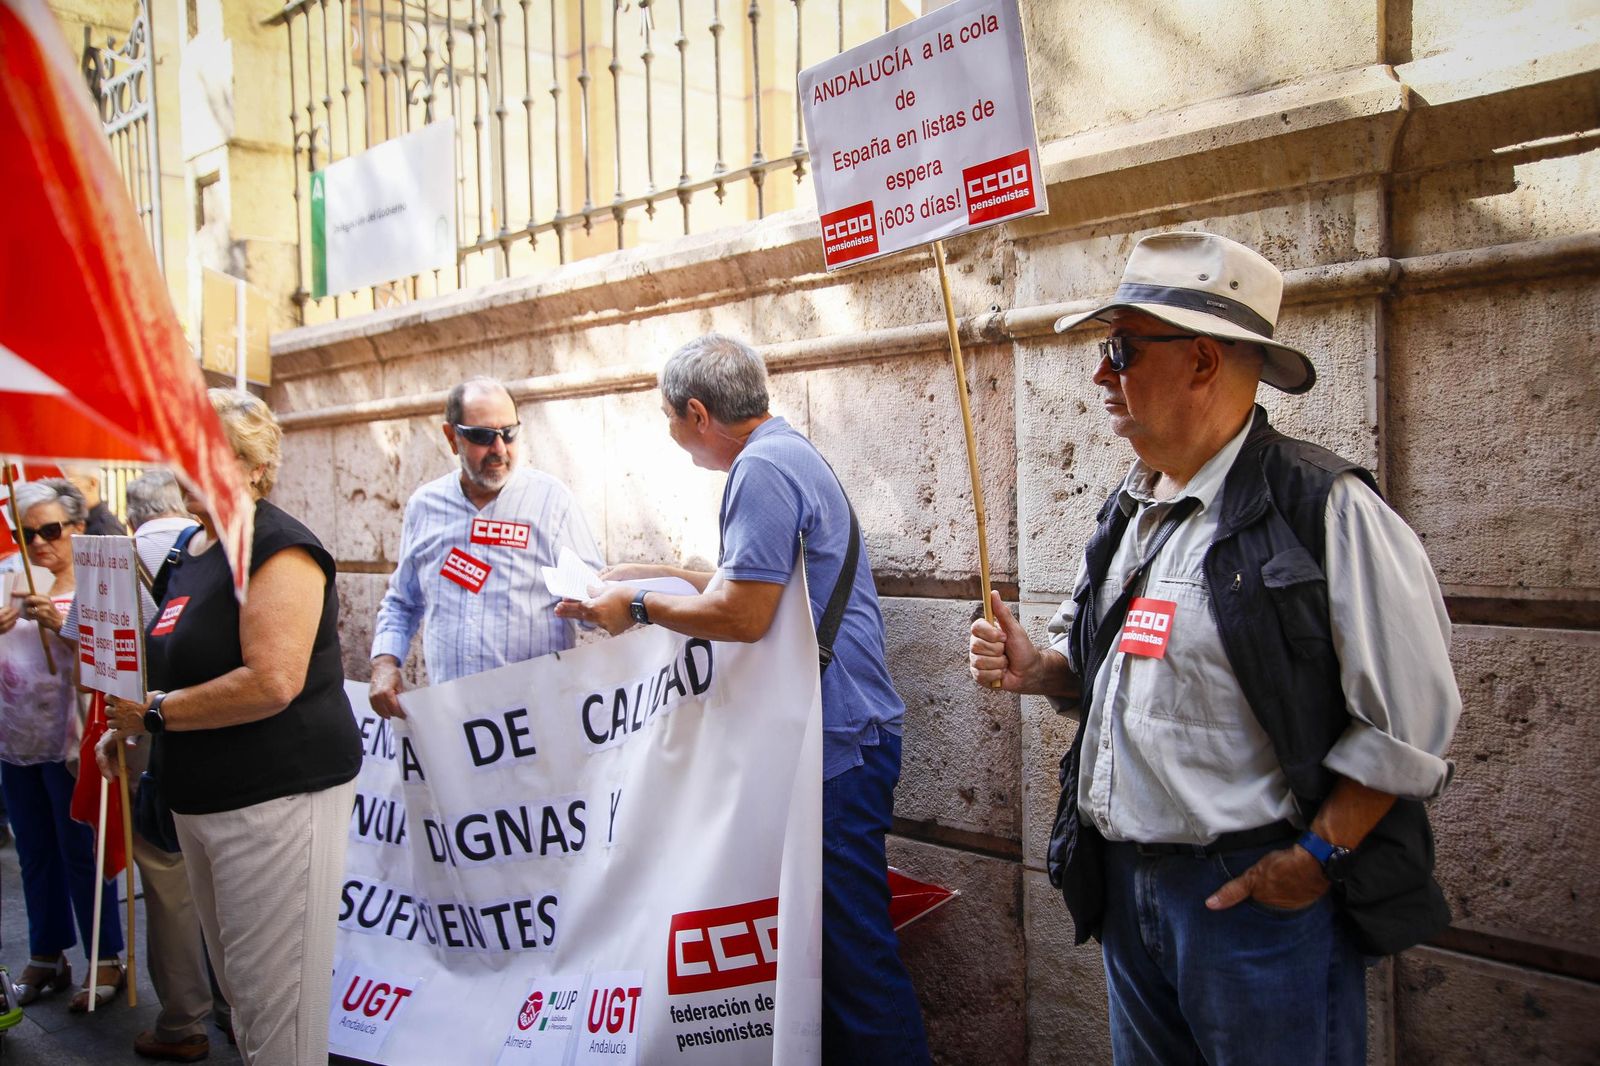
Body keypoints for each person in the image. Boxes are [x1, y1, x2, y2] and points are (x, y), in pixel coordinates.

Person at [968, 232, 1462, 1064]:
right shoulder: (1131, 508)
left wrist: (1310, 861)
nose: (1101, 375)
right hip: (1130, 894)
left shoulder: (1326, 508)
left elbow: (1407, 728)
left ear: (1201, 362)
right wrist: (1041, 669)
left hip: (1250, 904)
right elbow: (1122, 670)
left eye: (1120, 349)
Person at [555, 333, 930, 1063]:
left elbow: (745, 617)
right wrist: (645, 574)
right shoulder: (785, 452)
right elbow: (748, 587)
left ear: (698, 413)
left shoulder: (760, 470)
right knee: (829, 953)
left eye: (669, 419)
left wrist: (635, 608)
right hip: (840, 736)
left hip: (837, 744)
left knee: (853, 959)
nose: (672, 436)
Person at [102, 389, 362, 1064]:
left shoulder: (279, 547)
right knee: (245, 1000)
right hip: (204, 801)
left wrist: (158, 713)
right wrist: (131, 726)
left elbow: (273, 681)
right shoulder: (191, 547)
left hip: (276, 800)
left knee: (276, 1010)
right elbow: (176, 660)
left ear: (251, 465)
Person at [368, 376, 603, 716]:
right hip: (455, 721)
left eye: (509, 433)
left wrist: (600, 602)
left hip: (538, 720)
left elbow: (595, 605)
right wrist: (384, 663)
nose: (499, 449)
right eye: (482, 436)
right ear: (452, 437)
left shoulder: (551, 502)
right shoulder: (425, 506)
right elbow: (402, 601)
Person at [0, 479, 126, 1011]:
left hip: (75, 741)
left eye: (50, 531)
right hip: (15, 737)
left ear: (77, 527)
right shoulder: (8, 578)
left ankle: (106, 957)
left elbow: (121, 657)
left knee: (81, 851)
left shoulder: (100, 581)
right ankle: (46, 954)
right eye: (26, 534)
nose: (40, 544)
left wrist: (65, 624)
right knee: (33, 851)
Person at [118, 471, 221, 1063]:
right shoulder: (217, 548)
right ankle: (238, 1005)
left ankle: (185, 1019)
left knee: (167, 874)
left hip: (151, 724)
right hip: (218, 727)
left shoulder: (124, 555)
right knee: (223, 875)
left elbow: (94, 639)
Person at [65, 466, 128, 536]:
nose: (65, 491)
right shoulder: (88, 521)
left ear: (92, 483)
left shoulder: (106, 528)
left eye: (70, 484)